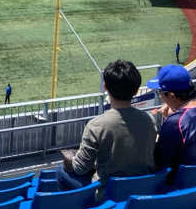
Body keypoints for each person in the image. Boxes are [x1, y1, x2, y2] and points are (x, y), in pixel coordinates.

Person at [53, 60, 157, 189]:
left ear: (105, 87)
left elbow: (80, 168)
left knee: (60, 171)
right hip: (141, 186)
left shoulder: (96, 125)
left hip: (107, 192)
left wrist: (69, 159)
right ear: (136, 91)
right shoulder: (150, 120)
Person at [148, 65, 196, 171]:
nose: (161, 98)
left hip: (189, 184)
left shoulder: (176, 121)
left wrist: (169, 121)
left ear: (171, 96)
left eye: (160, 93)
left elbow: (159, 161)